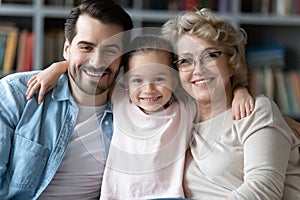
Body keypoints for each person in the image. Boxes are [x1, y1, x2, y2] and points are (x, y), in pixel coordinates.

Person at [162, 8, 300, 200]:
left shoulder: (256, 112)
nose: (198, 69)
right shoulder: (179, 120)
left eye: (210, 55)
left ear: (231, 62)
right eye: (185, 60)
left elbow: (263, 191)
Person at [0, 0, 133, 199]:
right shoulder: (16, 94)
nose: (97, 62)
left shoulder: (134, 108)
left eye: (111, 51)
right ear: (66, 50)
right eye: (86, 48)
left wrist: (61, 67)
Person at [100, 35, 196, 199]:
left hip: (167, 196)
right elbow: (88, 75)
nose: (149, 89)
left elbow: (217, 98)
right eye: (137, 80)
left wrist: (240, 92)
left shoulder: (185, 110)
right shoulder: (121, 101)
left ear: (174, 81)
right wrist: (58, 68)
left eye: (159, 79)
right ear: (126, 82)